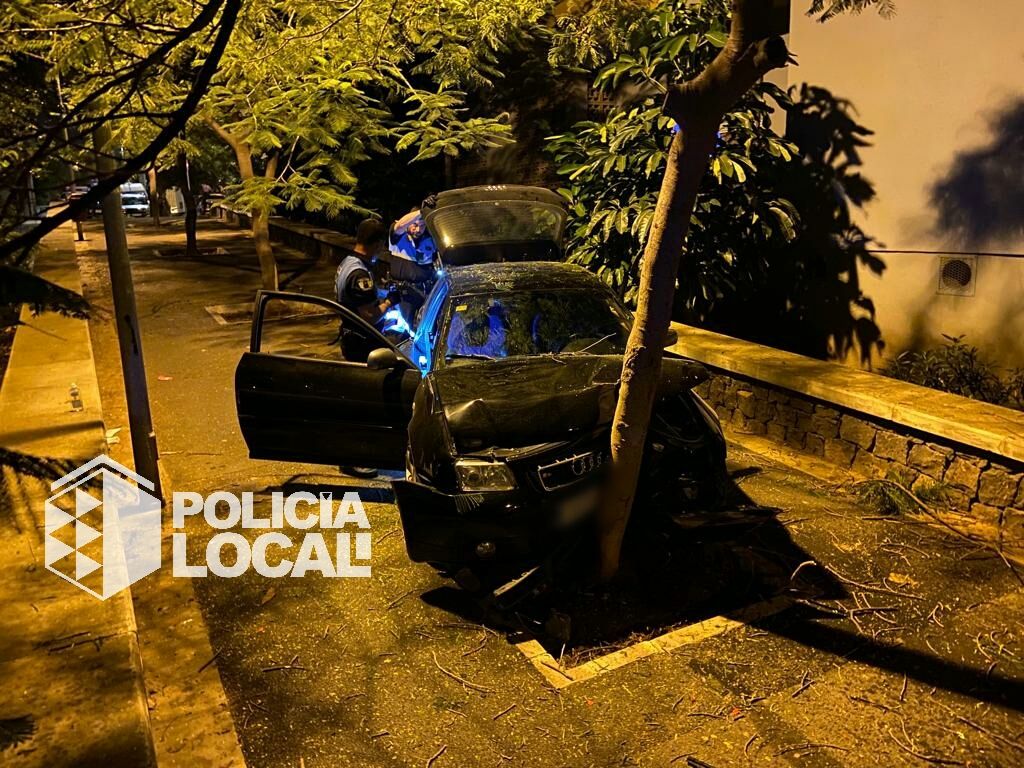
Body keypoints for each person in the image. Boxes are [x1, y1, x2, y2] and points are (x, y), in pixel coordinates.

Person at [334, 218, 399, 480]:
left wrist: (382, 291)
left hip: (351, 340)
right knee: (363, 402)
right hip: (361, 343)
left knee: (357, 399)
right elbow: (370, 316)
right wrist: (391, 302)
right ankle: (353, 458)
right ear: (376, 243)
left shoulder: (347, 264)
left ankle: (353, 454)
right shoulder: (360, 274)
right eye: (381, 245)